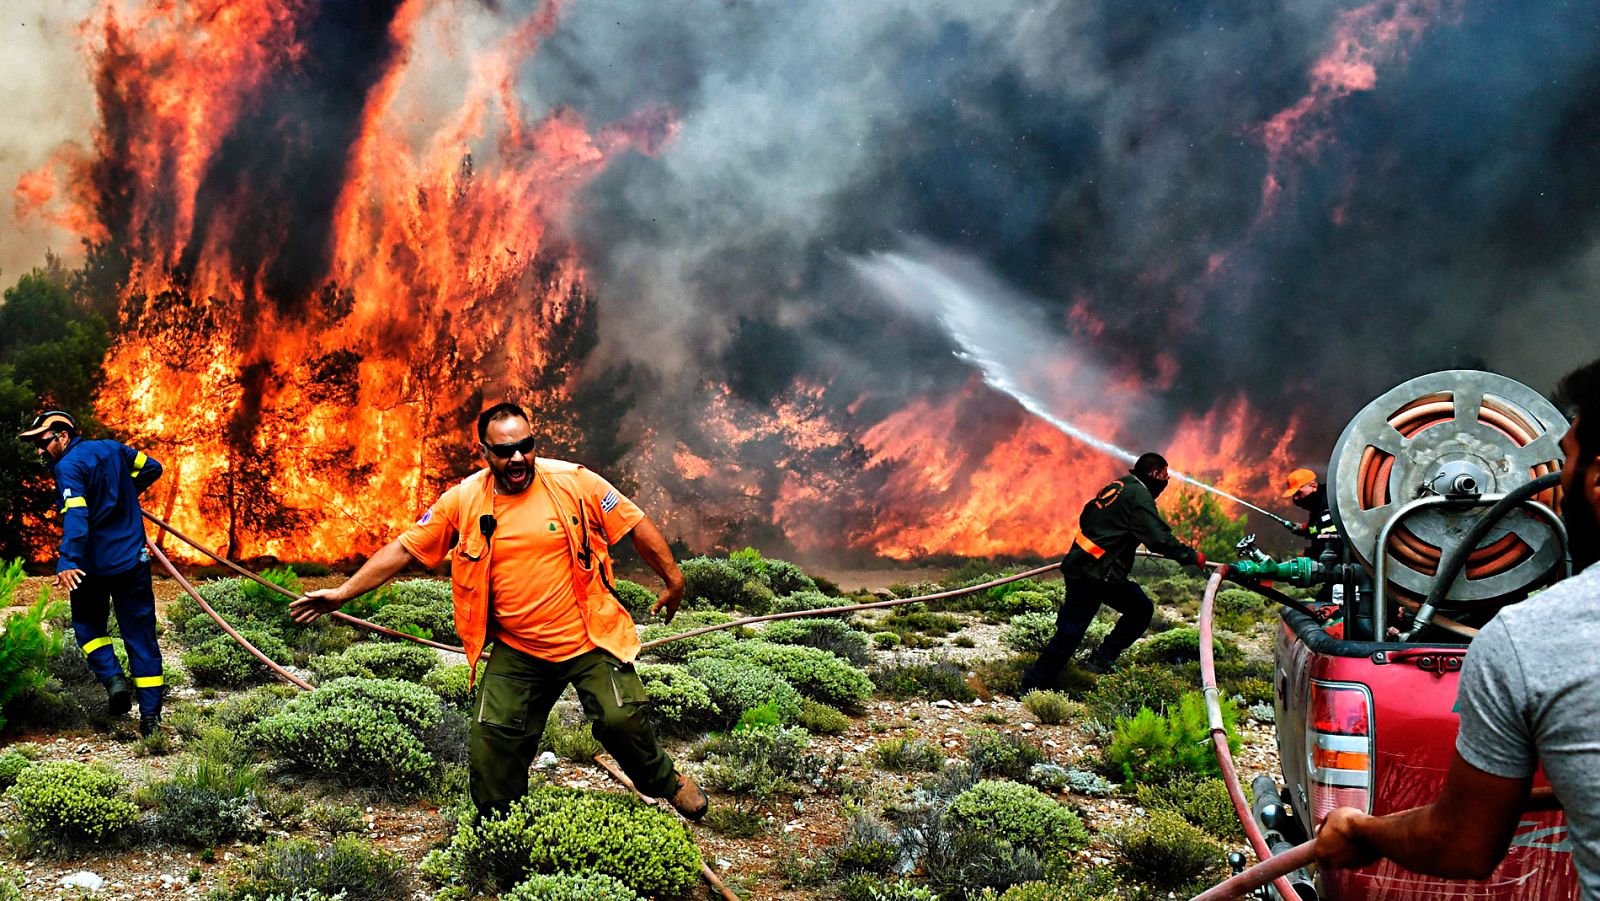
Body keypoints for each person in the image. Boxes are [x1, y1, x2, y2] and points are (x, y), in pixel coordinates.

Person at [289, 403, 707, 820]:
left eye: (526, 446)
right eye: (505, 451)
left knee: (620, 721)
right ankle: (502, 830)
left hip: (589, 637)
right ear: (485, 452)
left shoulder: (574, 482)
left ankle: (666, 783)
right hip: (519, 649)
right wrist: (343, 593)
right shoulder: (464, 499)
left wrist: (674, 580)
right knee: (491, 745)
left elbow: (634, 522)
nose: (518, 458)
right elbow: (404, 548)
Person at [1316, 357, 1600, 896]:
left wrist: (1364, 829)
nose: (1552, 480)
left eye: (1567, 460)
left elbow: (1462, 843)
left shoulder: (1530, 642)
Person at [19, 410, 166, 736]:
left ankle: (114, 680)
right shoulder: (114, 448)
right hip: (133, 561)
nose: (40, 452)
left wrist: (68, 560)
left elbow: (77, 515)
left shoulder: (67, 466)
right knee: (141, 637)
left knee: (87, 627)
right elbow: (152, 468)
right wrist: (125, 494)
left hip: (92, 568)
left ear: (63, 436)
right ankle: (151, 719)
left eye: (43, 443)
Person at [1019, 451, 1204, 691]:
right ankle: (1033, 685)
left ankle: (1098, 660)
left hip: (1090, 570)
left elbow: (1087, 514)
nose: (1165, 482)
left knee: (1138, 608)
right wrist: (1192, 556)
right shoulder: (1139, 495)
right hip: (1094, 575)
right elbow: (1159, 538)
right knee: (1072, 633)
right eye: (1165, 477)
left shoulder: (1118, 486)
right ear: (1156, 473)